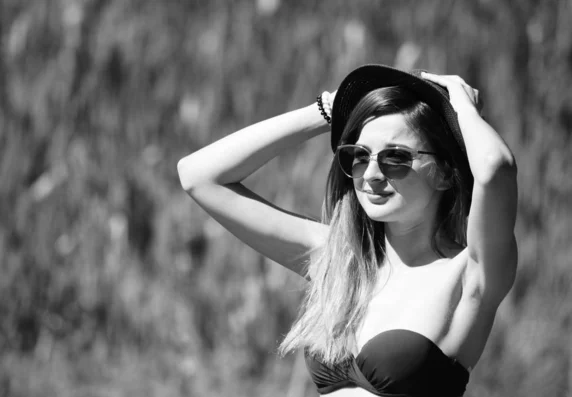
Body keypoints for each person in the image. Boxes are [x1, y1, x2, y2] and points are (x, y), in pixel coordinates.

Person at [177, 64, 518, 397]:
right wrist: (327, 109)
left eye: (395, 158)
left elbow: (493, 167)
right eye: (359, 155)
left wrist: (462, 108)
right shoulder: (340, 259)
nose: (370, 174)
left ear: (444, 174)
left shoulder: (470, 273)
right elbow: (197, 175)